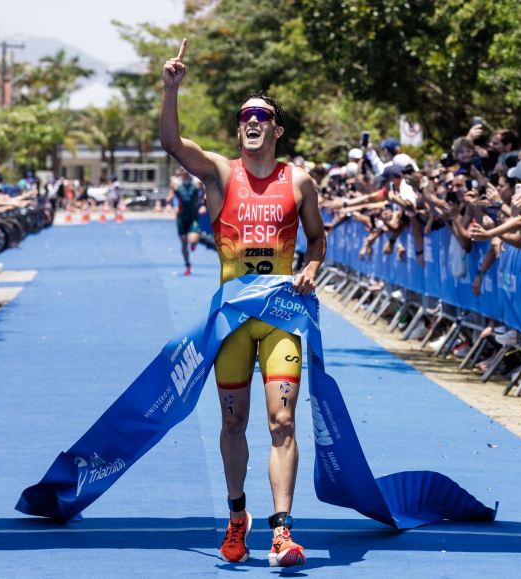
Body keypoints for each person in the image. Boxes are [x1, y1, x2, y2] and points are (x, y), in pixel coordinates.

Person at [160, 38, 325, 568]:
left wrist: (312, 267)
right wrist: (171, 89)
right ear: (239, 130)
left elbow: (319, 240)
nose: (253, 120)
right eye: (245, 116)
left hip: (278, 318)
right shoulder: (220, 174)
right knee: (233, 423)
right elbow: (171, 143)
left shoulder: (298, 180)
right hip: (232, 321)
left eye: (263, 116)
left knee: (283, 422)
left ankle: (282, 531)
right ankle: (237, 518)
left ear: (276, 130)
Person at [166, 167, 202, 275]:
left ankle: (194, 242)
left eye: (187, 169)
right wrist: (171, 205)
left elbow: (206, 192)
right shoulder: (175, 183)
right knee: (184, 242)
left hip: (193, 215)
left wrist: (204, 205)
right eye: (182, 169)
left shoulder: (196, 181)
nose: (185, 171)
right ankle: (187, 265)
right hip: (181, 216)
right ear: (180, 171)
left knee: (193, 240)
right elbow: (170, 197)